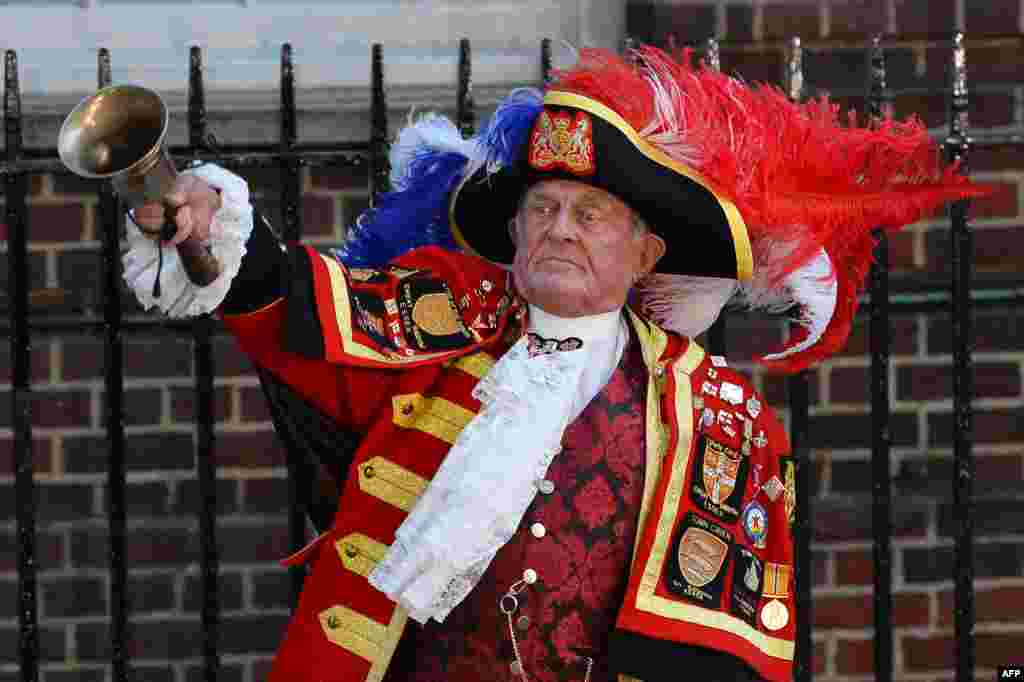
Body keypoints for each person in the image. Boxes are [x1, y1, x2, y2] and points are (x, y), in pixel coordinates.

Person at [126, 45, 984, 682]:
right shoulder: (449, 315)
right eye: (543, 206)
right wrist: (211, 230)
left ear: (647, 251)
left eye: (590, 212)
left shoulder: (717, 416)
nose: (560, 228)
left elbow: (731, 653)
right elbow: (304, 315)